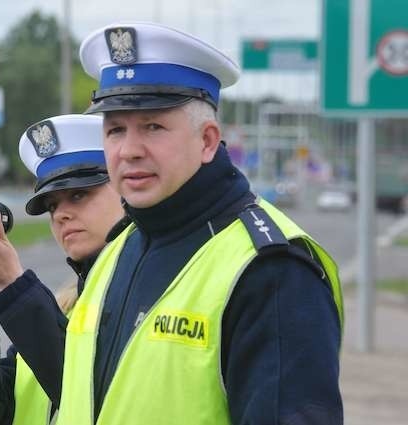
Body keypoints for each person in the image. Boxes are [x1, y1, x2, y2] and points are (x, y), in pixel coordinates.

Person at [52, 22, 344, 425]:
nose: (129, 151)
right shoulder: (119, 249)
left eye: (153, 126)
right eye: (116, 130)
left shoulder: (271, 270)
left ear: (207, 141)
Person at [0, 114, 126, 425]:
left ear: (125, 189)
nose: (62, 214)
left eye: (79, 195)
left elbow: (95, 398)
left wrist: (12, 285)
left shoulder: (149, 295)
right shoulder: (66, 308)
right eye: (52, 205)